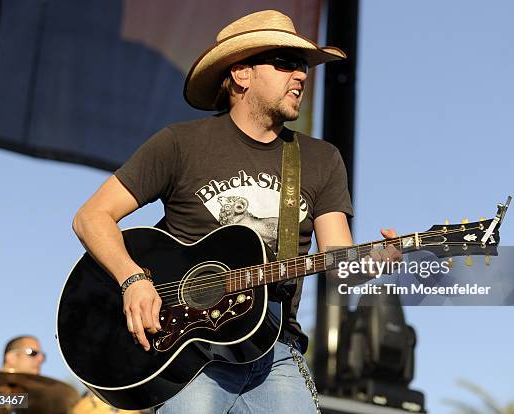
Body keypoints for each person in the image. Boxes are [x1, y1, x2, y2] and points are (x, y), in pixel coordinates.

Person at [72, 9, 400, 413]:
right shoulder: (180, 143)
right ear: (241, 74)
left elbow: (338, 260)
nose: (300, 75)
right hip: (186, 354)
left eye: (302, 66)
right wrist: (133, 280)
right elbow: (91, 217)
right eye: (285, 64)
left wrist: (372, 264)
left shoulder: (321, 159)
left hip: (275, 348)